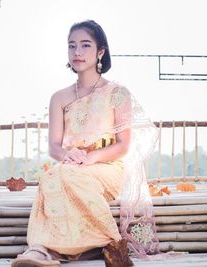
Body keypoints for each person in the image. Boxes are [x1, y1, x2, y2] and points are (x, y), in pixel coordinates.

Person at [11, 20, 159, 267]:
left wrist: (90, 158)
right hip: (72, 165)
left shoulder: (117, 93)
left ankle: (102, 243)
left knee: (67, 176)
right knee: (53, 176)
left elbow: (123, 145)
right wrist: (70, 155)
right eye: (72, 46)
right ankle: (48, 249)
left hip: (107, 166)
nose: (77, 52)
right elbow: (54, 147)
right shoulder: (59, 97)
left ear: (100, 51)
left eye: (85, 45)